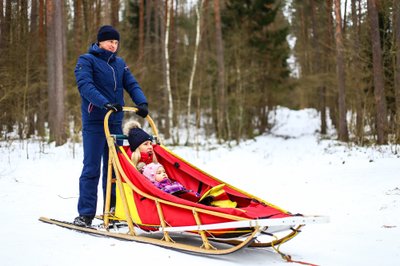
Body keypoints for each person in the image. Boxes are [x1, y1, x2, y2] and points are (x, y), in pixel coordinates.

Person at [73, 25, 149, 227]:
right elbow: (85, 86)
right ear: (100, 42)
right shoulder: (86, 60)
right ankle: (86, 214)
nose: (113, 46)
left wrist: (141, 102)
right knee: (91, 168)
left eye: (116, 42)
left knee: (115, 169)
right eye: (110, 42)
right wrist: (104, 102)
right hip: (95, 121)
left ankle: (113, 210)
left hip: (115, 122)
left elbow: (131, 84)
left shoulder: (119, 63)